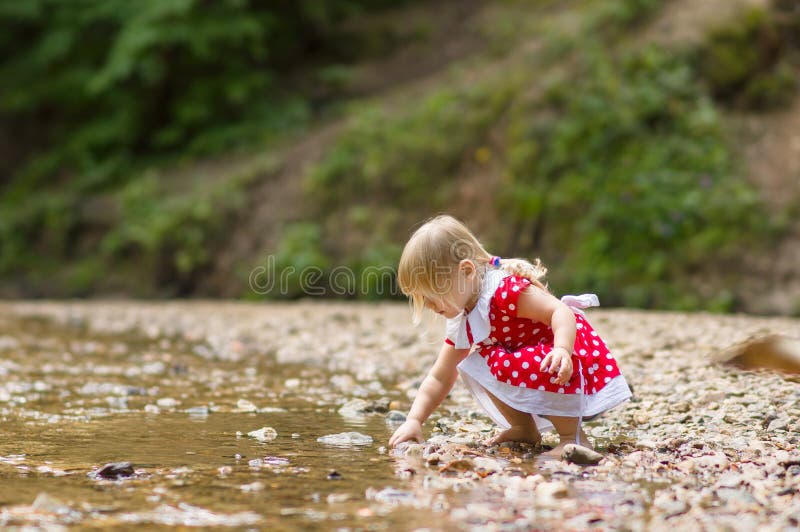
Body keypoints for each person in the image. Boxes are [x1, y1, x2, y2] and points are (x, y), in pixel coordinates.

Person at [388, 214, 632, 454]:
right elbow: (440, 376)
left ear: (466, 271)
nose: (430, 305)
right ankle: (524, 428)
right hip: (535, 360)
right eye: (422, 299)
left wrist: (562, 350)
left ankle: (573, 437)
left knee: (538, 361)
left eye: (432, 295)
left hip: (569, 356)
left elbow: (561, 311)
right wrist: (414, 420)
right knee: (476, 363)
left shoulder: (504, 291)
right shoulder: (464, 318)